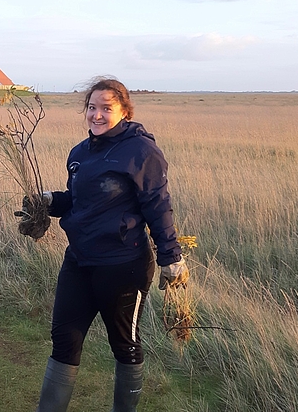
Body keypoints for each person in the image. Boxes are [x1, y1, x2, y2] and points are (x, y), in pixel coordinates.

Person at [18, 78, 189, 412]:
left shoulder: (141, 152)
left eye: (105, 108)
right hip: (79, 261)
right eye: (91, 108)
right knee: (64, 340)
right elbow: (80, 203)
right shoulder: (80, 153)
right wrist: (47, 201)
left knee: (124, 345)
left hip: (123, 265)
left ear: (124, 111)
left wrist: (171, 258)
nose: (96, 115)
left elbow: (157, 206)